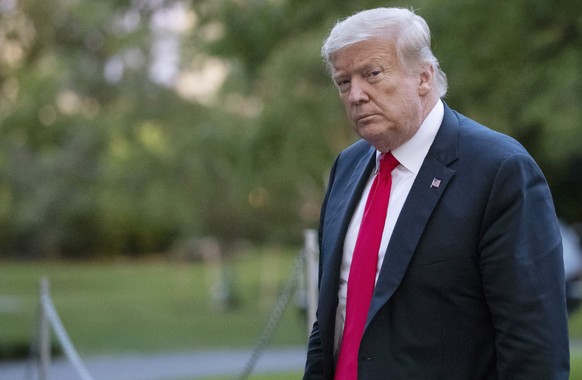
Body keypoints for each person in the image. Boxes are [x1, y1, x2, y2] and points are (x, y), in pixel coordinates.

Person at [303, 7, 569, 380]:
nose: (356, 95)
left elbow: (533, 347)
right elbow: (332, 319)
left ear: (424, 76)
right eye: (344, 82)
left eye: (372, 74)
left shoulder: (499, 170)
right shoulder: (347, 167)